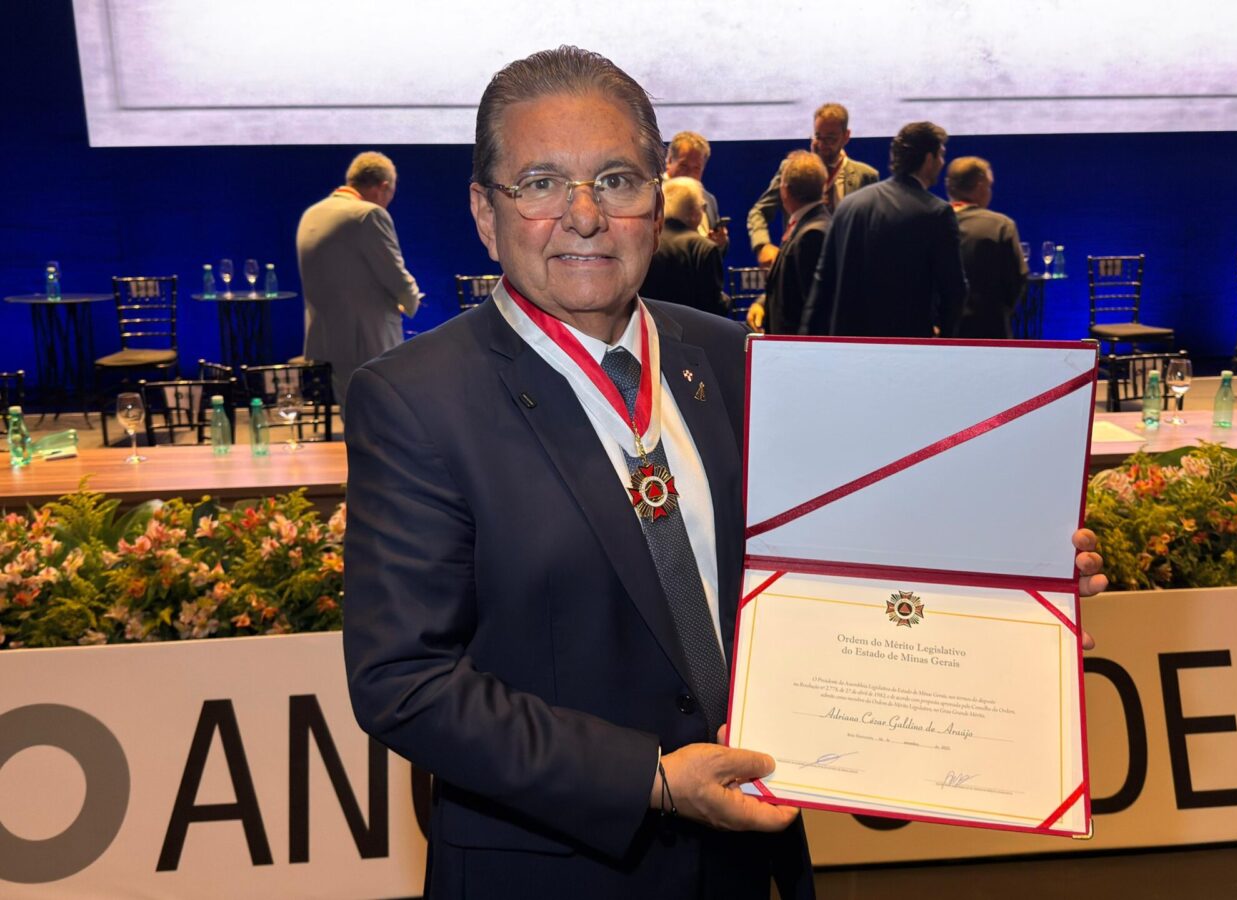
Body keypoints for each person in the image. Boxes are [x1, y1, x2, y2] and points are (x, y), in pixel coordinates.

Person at [341, 47, 1107, 900]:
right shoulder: (416, 400)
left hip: (749, 869)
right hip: (553, 875)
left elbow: (831, 575)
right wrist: (651, 780)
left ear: (658, 195)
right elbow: (404, 682)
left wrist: (1008, 594)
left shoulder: (733, 357)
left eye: (617, 180)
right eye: (541, 183)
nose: (585, 216)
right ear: (486, 213)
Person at [801, 121, 966, 338]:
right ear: (929, 159)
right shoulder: (937, 213)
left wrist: (808, 341)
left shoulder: (849, 205)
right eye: (941, 155)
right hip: (904, 347)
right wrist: (945, 342)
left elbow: (822, 282)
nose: (942, 162)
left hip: (846, 345)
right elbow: (953, 290)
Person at [296, 151, 423, 412]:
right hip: (368, 338)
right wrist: (412, 301)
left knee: (353, 414)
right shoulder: (368, 214)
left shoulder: (312, 213)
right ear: (383, 187)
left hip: (327, 338)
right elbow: (395, 275)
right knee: (381, 416)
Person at [746, 103, 878, 272]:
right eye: (818, 136)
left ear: (846, 136)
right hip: (798, 266)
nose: (822, 144)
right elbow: (758, 212)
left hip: (846, 270)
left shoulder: (866, 176)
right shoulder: (792, 169)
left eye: (830, 138)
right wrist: (762, 245)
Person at [745, 151, 830, 335]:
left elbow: (813, 309)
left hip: (797, 348)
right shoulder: (809, 226)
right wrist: (763, 303)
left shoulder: (811, 235)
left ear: (785, 190)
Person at [945, 156, 1029, 339]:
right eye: (989, 186)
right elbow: (1016, 279)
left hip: (941, 333)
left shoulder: (930, 222)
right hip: (989, 331)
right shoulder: (1001, 226)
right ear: (981, 186)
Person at [640, 176, 727, 316]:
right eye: (703, 207)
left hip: (650, 325)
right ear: (693, 213)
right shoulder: (704, 248)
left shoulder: (645, 242)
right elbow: (713, 307)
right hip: (693, 327)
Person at [665, 131, 728, 250]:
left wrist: (719, 243)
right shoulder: (653, 195)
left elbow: (718, 251)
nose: (689, 174)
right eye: (683, 166)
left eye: (696, 168)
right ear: (669, 161)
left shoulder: (709, 199)